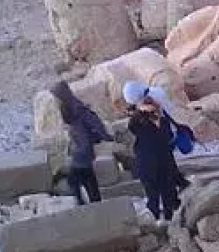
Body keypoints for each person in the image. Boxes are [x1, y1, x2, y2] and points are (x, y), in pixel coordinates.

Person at [122, 82, 189, 221]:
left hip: (145, 164)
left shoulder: (135, 124)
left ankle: (155, 220)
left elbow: (133, 126)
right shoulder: (162, 124)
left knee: (152, 196)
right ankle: (170, 219)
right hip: (162, 163)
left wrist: (139, 112)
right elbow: (168, 137)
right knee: (167, 193)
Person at [50, 81, 108, 204]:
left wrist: (104, 135)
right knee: (86, 177)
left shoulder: (76, 108)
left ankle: (84, 202)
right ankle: (93, 201)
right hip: (79, 147)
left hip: (83, 148)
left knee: (76, 178)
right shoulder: (68, 107)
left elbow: (93, 120)